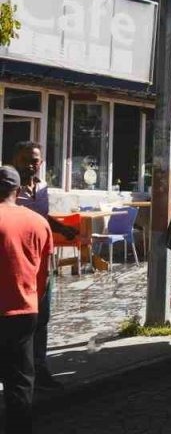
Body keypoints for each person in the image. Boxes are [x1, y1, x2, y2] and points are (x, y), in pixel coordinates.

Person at [12, 141, 78, 390]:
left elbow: (42, 218)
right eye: (27, 159)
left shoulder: (42, 188)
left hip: (41, 263)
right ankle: (14, 369)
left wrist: (62, 228)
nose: (32, 164)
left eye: (36, 160)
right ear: (15, 159)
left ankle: (39, 368)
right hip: (14, 263)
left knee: (42, 316)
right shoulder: (7, 188)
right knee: (16, 319)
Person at [0, 164, 52, 434]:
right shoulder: (39, 222)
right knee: (19, 384)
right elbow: (43, 276)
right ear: (17, 191)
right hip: (25, 311)